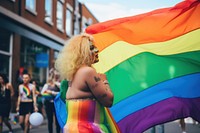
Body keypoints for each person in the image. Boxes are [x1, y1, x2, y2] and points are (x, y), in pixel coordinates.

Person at [55, 33, 118, 132]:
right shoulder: (88, 71)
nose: (97, 50)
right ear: (82, 52)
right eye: (92, 48)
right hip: (87, 129)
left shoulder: (72, 74)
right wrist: (104, 81)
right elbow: (108, 101)